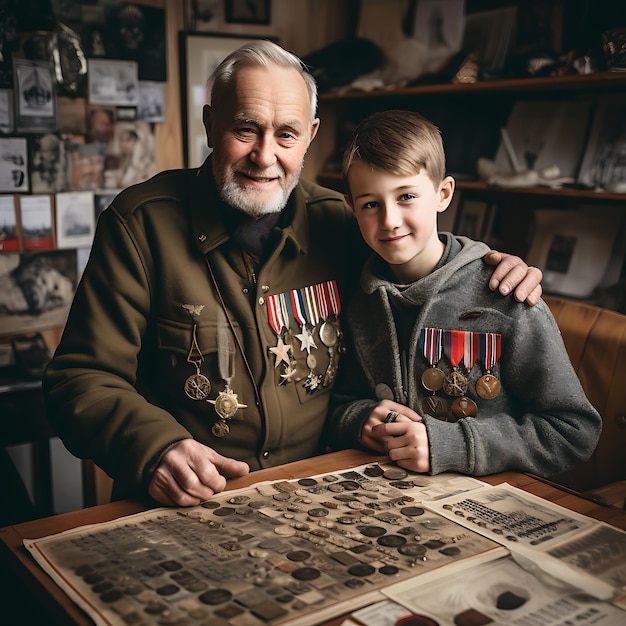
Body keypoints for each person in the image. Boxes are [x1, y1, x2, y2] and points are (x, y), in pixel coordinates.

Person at [43, 41, 543, 508]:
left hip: (318, 496)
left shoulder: (342, 222)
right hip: (185, 503)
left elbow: (421, 268)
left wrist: (486, 268)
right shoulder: (140, 224)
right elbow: (79, 378)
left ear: (311, 136)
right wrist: (154, 448)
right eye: (245, 129)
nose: (265, 157)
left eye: (286, 134)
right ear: (210, 123)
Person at [325, 110, 601, 478]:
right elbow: (335, 403)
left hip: (493, 502)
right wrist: (358, 419)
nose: (389, 220)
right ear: (351, 207)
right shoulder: (357, 299)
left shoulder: (504, 294)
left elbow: (573, 432)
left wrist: (454, 446)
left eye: (406, 196)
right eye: (371, 204)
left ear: (443, 194)